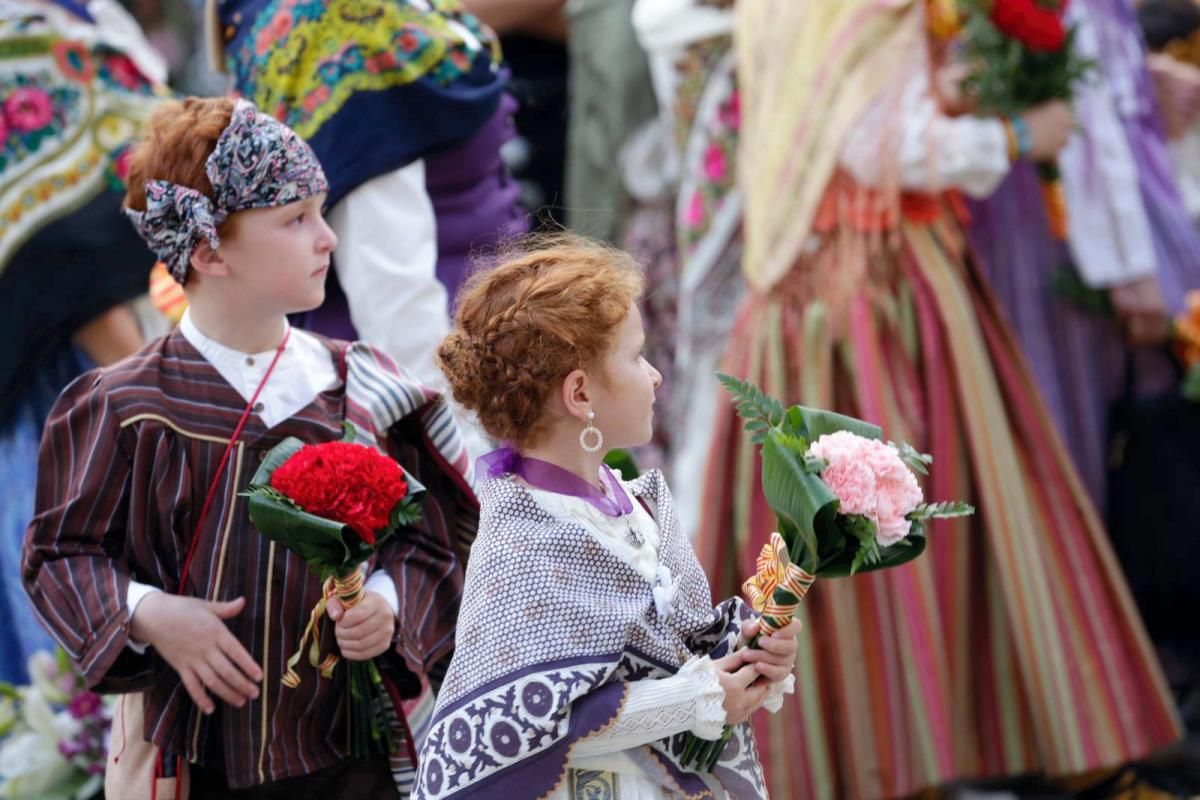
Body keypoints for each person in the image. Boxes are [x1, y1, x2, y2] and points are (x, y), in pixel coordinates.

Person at [691, 1, 1181, 797]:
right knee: (893, 507)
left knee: (871, 516)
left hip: (821, 282)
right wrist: (1018, 136)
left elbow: (841, 116)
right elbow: (876, 143)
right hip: (872, 292)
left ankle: (882, 750)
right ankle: (896, 755)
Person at [22, 96, 478, 798]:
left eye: (322, 213)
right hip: (196, 766)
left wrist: (387, 602)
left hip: (349, 759)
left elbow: (440, 535)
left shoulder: (366, 386)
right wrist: (150, 613)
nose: (326, 237)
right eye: (296, 219)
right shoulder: (125, 407)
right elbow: (60, 555)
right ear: (208, 251)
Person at [413, 234, 799, 799]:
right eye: (637, 356)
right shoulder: (525, 539)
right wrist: (699, 696)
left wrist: (749, 655)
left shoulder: (632, 502)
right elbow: (526, 727)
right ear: (579, 393)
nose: (655, 375)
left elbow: (675, 647)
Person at [209, 0, 527, 390]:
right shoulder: (340, 28)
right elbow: (395, 299)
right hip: (447, 369)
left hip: (493, 340)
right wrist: (454, 443)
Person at [0, 0, 167, 683]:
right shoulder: (24, 39)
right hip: (83, 386)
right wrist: (163, 403)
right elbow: (67, 261)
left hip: (124, 346)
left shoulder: (80, 16)